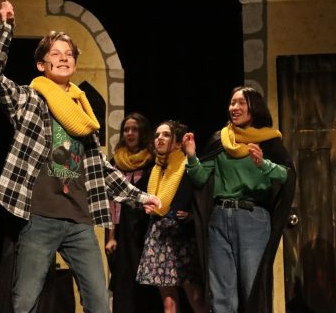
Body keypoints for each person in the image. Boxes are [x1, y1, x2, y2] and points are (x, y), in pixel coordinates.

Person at [0, 0, 162, 313]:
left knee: (98, 303)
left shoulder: (82, 113)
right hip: (39, 217)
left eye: (68, 55)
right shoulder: (29, 99)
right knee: (25, 300)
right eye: (55, 53)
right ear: (42, 65)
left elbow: (101, 169)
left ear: (75, 65)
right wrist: (6, 29)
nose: (63, 58)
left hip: (80, 219)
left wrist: (140, 197)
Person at [182, 86, 296, 313]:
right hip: (219, 219)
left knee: (252, 289)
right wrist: (192, 156)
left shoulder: (268, 141)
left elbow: (287, 175)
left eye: (241, 103)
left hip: (253, 219)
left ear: (254, 107)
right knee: (222, 295)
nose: (234, 108)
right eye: (232, 103)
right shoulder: (221, 140)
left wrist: (264, 164)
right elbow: (200, 178)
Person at [136, 120, 206, 313]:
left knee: (196, 298)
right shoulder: (153, 170)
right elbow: (137, 196)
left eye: (166, 134)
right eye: (157, 134)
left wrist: (193, 215)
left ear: (177, 142)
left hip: (182, 236)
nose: (159, 138)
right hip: (158, 234)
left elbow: (203, 195)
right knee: (168, 302)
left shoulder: (188, 166)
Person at [105, 112, 161, 313]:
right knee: (122, 280)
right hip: (120, 230)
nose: (129, 133)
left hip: (145, 228)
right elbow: (110, 201)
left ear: (143, 132)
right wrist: (111, 236)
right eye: (126, 129)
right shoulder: (115, 162)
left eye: (134, 129)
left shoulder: (152, 162)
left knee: (146, 281)